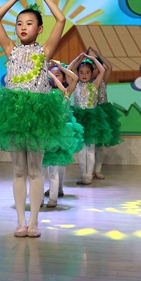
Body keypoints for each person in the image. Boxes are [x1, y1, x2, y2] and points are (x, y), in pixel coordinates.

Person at [0, 0, 67, 238]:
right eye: (19, 23)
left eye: (29, 23)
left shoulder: (44, 51)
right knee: (19, 170)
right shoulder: (10, 50)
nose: (22, 27)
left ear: (40, 29)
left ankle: (34, 221)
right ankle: (20, 221)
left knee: (35, 169)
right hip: (13, 114)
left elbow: (61, 19)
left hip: (37, 114)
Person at [42, 61, 83, 207]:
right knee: (41, 169)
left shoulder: (64, 93)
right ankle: (40, 198)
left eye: (57, 75)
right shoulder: (44, 95)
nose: (53, 77)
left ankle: (53, 197)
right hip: (44, 135)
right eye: (51, 75)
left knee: (54, 168)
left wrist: (58, 69)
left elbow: (75, 79)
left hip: (59, 136)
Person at [69, 53, 111, 186]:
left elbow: (102, 70)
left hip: (91, 120)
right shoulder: (75, 84)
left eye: (87, 72)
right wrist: (78, 58)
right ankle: (83, 175)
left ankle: (89, 176)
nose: (84, 75)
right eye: (81, 72)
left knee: (90, 149)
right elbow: (69, 69)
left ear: (92, 73)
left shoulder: (95, 85)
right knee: (81, 150)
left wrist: (92, 58)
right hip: (79, 119)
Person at [86, 47, 122, 179]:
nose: (94, 70)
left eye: (97, 68)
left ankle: (98, 170)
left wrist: (97, 54)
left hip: (102, 114)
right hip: (91, 114)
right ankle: (89, 171)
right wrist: (83, 56)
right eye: (92, 68)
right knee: (90, 144)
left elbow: (110, 67)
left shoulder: (101, 81)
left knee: (99, 145)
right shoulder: (85, 83)